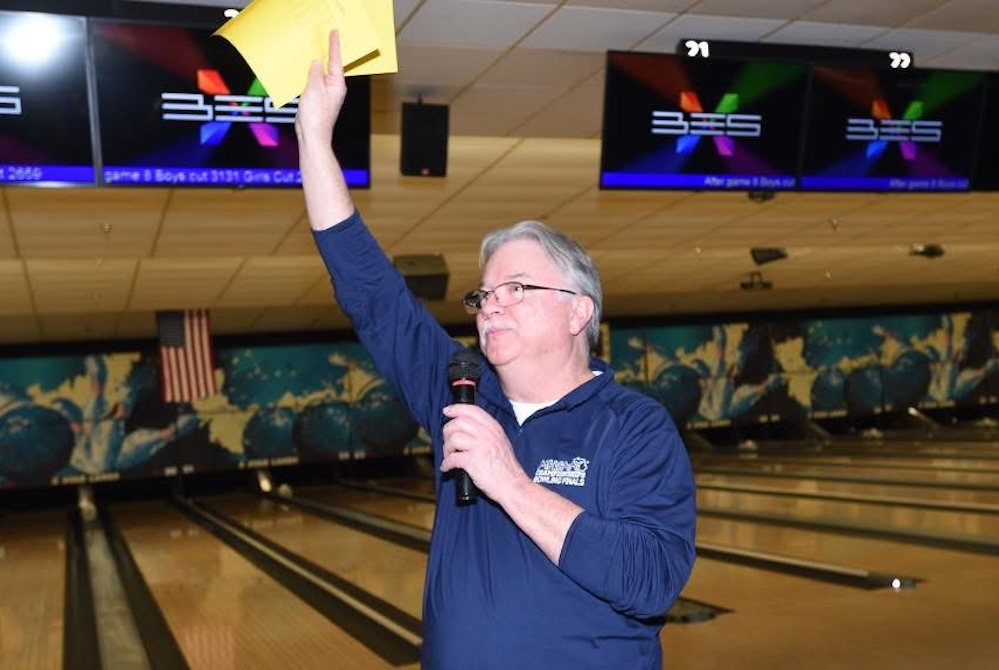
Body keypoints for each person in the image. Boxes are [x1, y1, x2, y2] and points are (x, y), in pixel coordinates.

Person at [296, 32, 696, 669]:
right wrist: (314, 139)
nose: (493, 304)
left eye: (518, 287)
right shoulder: (461, 394)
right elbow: (369, 288)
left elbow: (650, 580)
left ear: (578, 310)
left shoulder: (634, 427)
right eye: (484, 295)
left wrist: (509, 480)